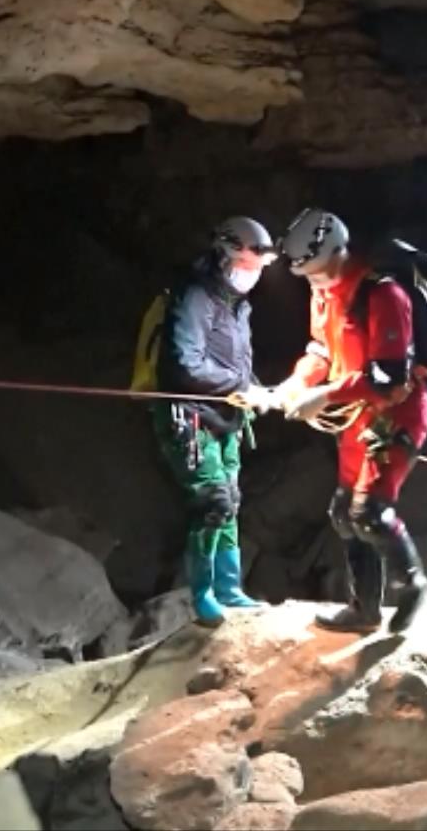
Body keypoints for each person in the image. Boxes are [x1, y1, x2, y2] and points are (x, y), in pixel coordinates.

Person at [272, 209, 427, 634]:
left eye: (316, 268)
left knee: (370, 511)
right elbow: (321, 351)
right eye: (305, 273)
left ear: (337, 252)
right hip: (358, 416)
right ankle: (364, 610)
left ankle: (415, 586)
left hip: (395, 412)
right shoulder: (323, 295)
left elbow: (389, 378)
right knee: (344, 512)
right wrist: (294, 384)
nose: (312, 278)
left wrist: (324, 395)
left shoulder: (383, 294)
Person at [153, 217, 279, 628]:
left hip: (226, 419)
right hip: (190, 418)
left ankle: (229, 589)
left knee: (231, 502)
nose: (253, 274)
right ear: (225, 255)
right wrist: (240, 384)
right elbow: (186, 363)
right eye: (248, 264)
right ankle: (203, 594)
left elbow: (235, 363)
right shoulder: (195, 297)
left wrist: (260, 390)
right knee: (213, 503)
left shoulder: (236, 305)